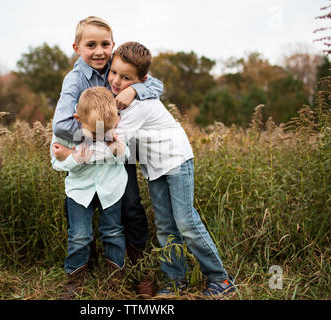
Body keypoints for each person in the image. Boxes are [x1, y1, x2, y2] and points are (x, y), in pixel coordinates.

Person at [63, 41, 236, 298]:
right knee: (165, 226)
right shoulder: (123, 99)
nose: (117, 81)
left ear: (142, 80)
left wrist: (73, 154)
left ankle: (220, 280)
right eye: (114, 73)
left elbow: (112, 144)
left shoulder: (139, 105)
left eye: (126, 78)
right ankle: (176, 281)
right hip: (155, 168)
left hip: (176, 160)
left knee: (186, 222)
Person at [52, 16, 162, 296]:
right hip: (91, 150)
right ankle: (83, 268)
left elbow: (157, 85)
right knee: (78, 212)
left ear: (112, 45)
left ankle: (138, 270)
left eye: (104, 45)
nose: (99, 51)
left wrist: (135, 89)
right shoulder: (74, 80)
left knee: (132, 207)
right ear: (77, 47)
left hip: (120, 153)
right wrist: (101, 133)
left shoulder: (117, 63)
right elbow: (62, 125)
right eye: (91, 45)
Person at [51, 87, 129, 299]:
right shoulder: (65, 133)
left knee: (113, 231)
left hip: (111, 189)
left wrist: (86, 154)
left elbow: (125, 156)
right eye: (94, 133)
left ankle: (115, 277)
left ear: (116, 118)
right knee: (80, 235)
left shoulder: (116, 129)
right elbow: (55, 162)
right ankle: (75, 277)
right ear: (77, 118)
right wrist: (73, 158)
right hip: (79, 192)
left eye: (105, 130)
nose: (100, 135)